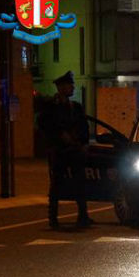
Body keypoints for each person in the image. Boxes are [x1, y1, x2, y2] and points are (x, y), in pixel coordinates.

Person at [38, 70, 92, 229]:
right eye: (70, 85)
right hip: (59, 150)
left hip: (75, 150)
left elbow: (84, 126)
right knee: (57, 185)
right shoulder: (51, 108)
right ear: (61, 87)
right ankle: (53, 218)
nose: (73, 88)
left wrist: (84, 143)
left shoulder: (75, 107)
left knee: (79, 184)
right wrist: (59, 135)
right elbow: (44, 125)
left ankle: (83, 216)